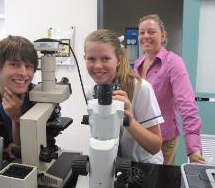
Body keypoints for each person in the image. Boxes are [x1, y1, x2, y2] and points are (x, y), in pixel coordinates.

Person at [84, 29, 164, 164]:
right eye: (91, 59)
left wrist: (129, 121)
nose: (97, 66)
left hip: (143, 166)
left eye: (106, 58)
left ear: (118, 60)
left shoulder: (141, 89)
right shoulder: (91, 92)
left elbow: (155, 146)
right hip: (113, 165)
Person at [134, 14, 205, 165]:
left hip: (163, 140)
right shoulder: (138, 63)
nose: (146, 36)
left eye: (151, 32)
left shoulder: (174, 63)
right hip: (140, 137)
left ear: (163, 35)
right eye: (142, 32)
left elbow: (187, 104)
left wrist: (193, 149)